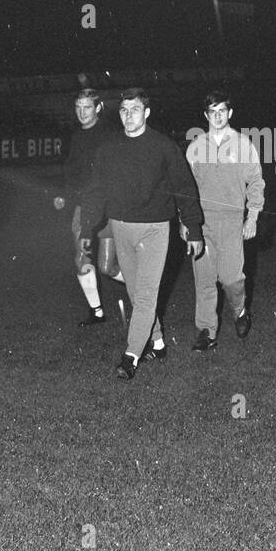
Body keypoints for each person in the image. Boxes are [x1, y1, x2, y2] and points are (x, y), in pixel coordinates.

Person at [81, 88, 204, 380]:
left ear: (146, 113)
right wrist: (88, 226)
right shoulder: (109, 148)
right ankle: (158, 343)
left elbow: (185, 188)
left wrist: (194, 227)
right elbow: (96, 189)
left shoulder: (163, 147)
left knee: (146, 295)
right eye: (123, 110)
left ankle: (131, 356)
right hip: (121, 226)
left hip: (155, 229)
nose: (128, 116)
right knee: (136, 293)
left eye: (134, 110)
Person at [185, 90, 265, 352]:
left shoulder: (244, 145)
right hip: (202, 223)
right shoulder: (195, 148)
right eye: (212, 112)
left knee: (231, 278)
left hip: (231, 221)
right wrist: (185, 222)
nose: (217, 116)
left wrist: (252, 216)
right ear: (205, 115)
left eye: (222, 111)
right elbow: (186, 189)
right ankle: (206, 332)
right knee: (205, 280)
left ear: (230, 113)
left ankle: (240, 310)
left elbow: (255, 182)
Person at [55, 88, 122, 325]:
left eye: (87, 107)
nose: (82, 112)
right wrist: (65, 195)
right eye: (78, 107)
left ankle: (143, 291)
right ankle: (97, 311)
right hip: (83, 206)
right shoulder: (75, 137)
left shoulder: (109, 136)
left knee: (106, 266)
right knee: (81, 258)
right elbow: (72, 172)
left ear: (98, 108)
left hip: (108, 207)